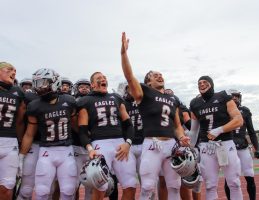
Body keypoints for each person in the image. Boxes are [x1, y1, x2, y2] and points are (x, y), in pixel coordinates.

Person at [121, 32, 190, 200]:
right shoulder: (145, 93)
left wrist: (182, 137)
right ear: (148, 82)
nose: (160, 76)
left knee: (174, 186)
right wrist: (124, 54)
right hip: (152, 144)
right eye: (155, 75)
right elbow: (130, 77)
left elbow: (177, 125)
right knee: (147, 187)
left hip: (172, 145)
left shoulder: (171, 98)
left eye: (161, 74)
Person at [19, 68, 78, 200]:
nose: (39, 87)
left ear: (55, 82)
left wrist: (89, 143)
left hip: (66, 150)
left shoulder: (68, 100)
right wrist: (21, 157)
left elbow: (77, 126)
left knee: (68, 191)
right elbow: (29, 134)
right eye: (36, 83)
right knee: (42, 191)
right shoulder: (34, 105)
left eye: (43, 83)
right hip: (46, 150)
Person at [77, 71, 137, 200]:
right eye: (99, 78)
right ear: (92, 84)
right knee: (100, 188)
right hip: (99, 145)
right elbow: (82, 130)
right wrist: (90, 149)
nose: (103, 79)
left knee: (130, 186)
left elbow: (129, 125)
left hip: (120, 144)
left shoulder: (116, 97)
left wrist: (128, 143)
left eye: (104, 77)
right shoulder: (85, 101)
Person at [189, 76, 244, 200]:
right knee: (210, 185)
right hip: (206, 147)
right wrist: (190, 148)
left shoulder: (223, 96)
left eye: (205, 82)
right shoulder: (195, 103)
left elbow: (239, 120)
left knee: (234, 183)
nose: (202, 84)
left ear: (211, 84)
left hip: (225, 144)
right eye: (199, 83)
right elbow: (193, 131)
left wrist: (219, 130)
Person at [224, 89, 259, 200]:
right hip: (229, 147)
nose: (235, 98)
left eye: (236, 96)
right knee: (229, 179)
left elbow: (251, 131)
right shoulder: (223, 110)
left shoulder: (244, 110)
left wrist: (257, 148)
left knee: (250, 176)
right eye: (232, 96)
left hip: (243, 147)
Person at [0, 62, 26, 200]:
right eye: (9, 69)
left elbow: (20, 121)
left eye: (15, 70)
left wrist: (20, 141)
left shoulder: (18, 92)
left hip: (10, 142)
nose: (13, 72)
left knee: (7, 186)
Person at [72, 78, 93, 200]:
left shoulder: (94, 100)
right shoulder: (73, 102)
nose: (84, 88)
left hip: (92, 147)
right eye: (81, 86)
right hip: (76, 146)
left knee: (91, 183)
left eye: (87, 86)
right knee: (73, 184)